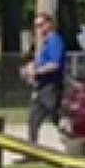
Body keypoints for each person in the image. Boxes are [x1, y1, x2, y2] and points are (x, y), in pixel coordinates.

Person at [23, 12, 67, 144]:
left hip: (51, 87)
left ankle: (76, 142)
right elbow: (39, 62)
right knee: (33, 118)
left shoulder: (55, 41)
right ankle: (32, 150)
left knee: (56, 117)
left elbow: (55, 64)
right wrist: (29, 67)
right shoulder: (45, 44)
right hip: (41, 87)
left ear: (49, 24)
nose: (38, 29)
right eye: (36, 26)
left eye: (41, 25)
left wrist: (36, 72)